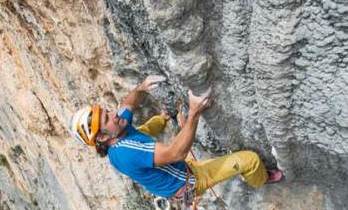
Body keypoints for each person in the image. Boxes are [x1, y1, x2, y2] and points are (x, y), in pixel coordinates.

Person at [70, 75, 283, 201]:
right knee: (250, 160)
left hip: (180, 173)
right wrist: (194, 112)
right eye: (108, 118)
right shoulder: (127, 152)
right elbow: (176, 153)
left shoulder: (118, 129)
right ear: (102, 138)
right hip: (191, 181)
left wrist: (141, 87)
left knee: (145, 128)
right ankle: (261, 180)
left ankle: (162, 119)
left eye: (108, 112)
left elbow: (128, 104)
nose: (115, 115)